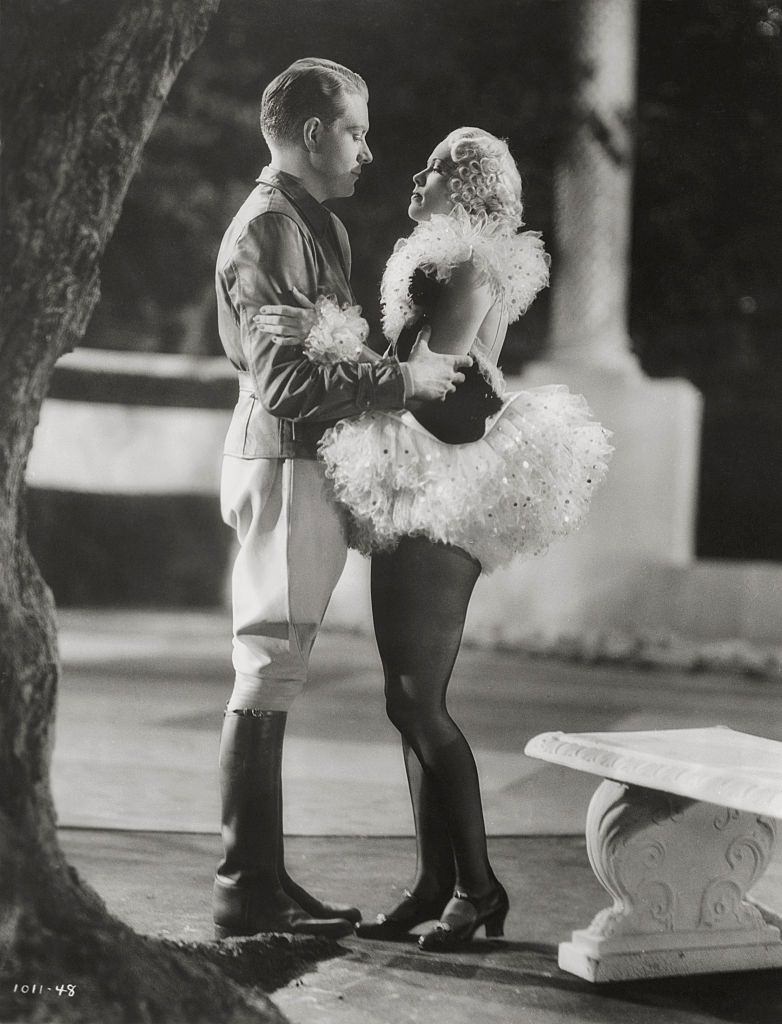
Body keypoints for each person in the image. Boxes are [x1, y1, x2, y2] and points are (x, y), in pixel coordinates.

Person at [254, 127, 612, 950]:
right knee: (407, 701)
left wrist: (325, 343)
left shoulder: (462, 260)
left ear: (471, 188)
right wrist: (363, 360)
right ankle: (431, 883)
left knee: (418, 701)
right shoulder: (444, 255)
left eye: (439, 168)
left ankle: (478, 890)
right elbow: (417, 367)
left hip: (437, 488)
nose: (418, 174)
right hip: (415, 478)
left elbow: (439, 390)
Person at [213, 59, 472, 942]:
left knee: (274, 667)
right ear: (315, 132)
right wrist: (401, 378)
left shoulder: (305, 224)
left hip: (298, 462)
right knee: (267, 664)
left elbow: (307, 353)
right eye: (357, 131)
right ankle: (244, 886)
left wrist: (345, 354)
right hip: (283, 460)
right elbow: (285, 378)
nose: (368, 150)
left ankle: (260, 878)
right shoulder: (272, 227)